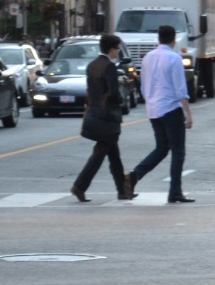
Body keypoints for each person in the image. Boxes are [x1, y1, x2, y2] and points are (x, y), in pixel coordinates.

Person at [125, 24, 194, 203]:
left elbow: (143, 85)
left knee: (162, 148)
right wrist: (188, 113)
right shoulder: (174, 58)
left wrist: (150, 100)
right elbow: (180, 89)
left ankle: (134, 176)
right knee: (178, 151)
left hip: (153, 109)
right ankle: (175, 191)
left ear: (159, 38)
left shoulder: (147, 57)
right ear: (173, 39)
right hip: (170, 109)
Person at [71, 33, 134, 202]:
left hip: (95, 113)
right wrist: (121, 101)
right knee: (99, 154)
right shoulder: (109, 67)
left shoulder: (91, 65)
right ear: (111, 49)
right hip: (108, 117)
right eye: (118, 49)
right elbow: (113, 93)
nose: (118, 52)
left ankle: (122, 190)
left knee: (114, 154)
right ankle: (79, 186)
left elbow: (91, 91)